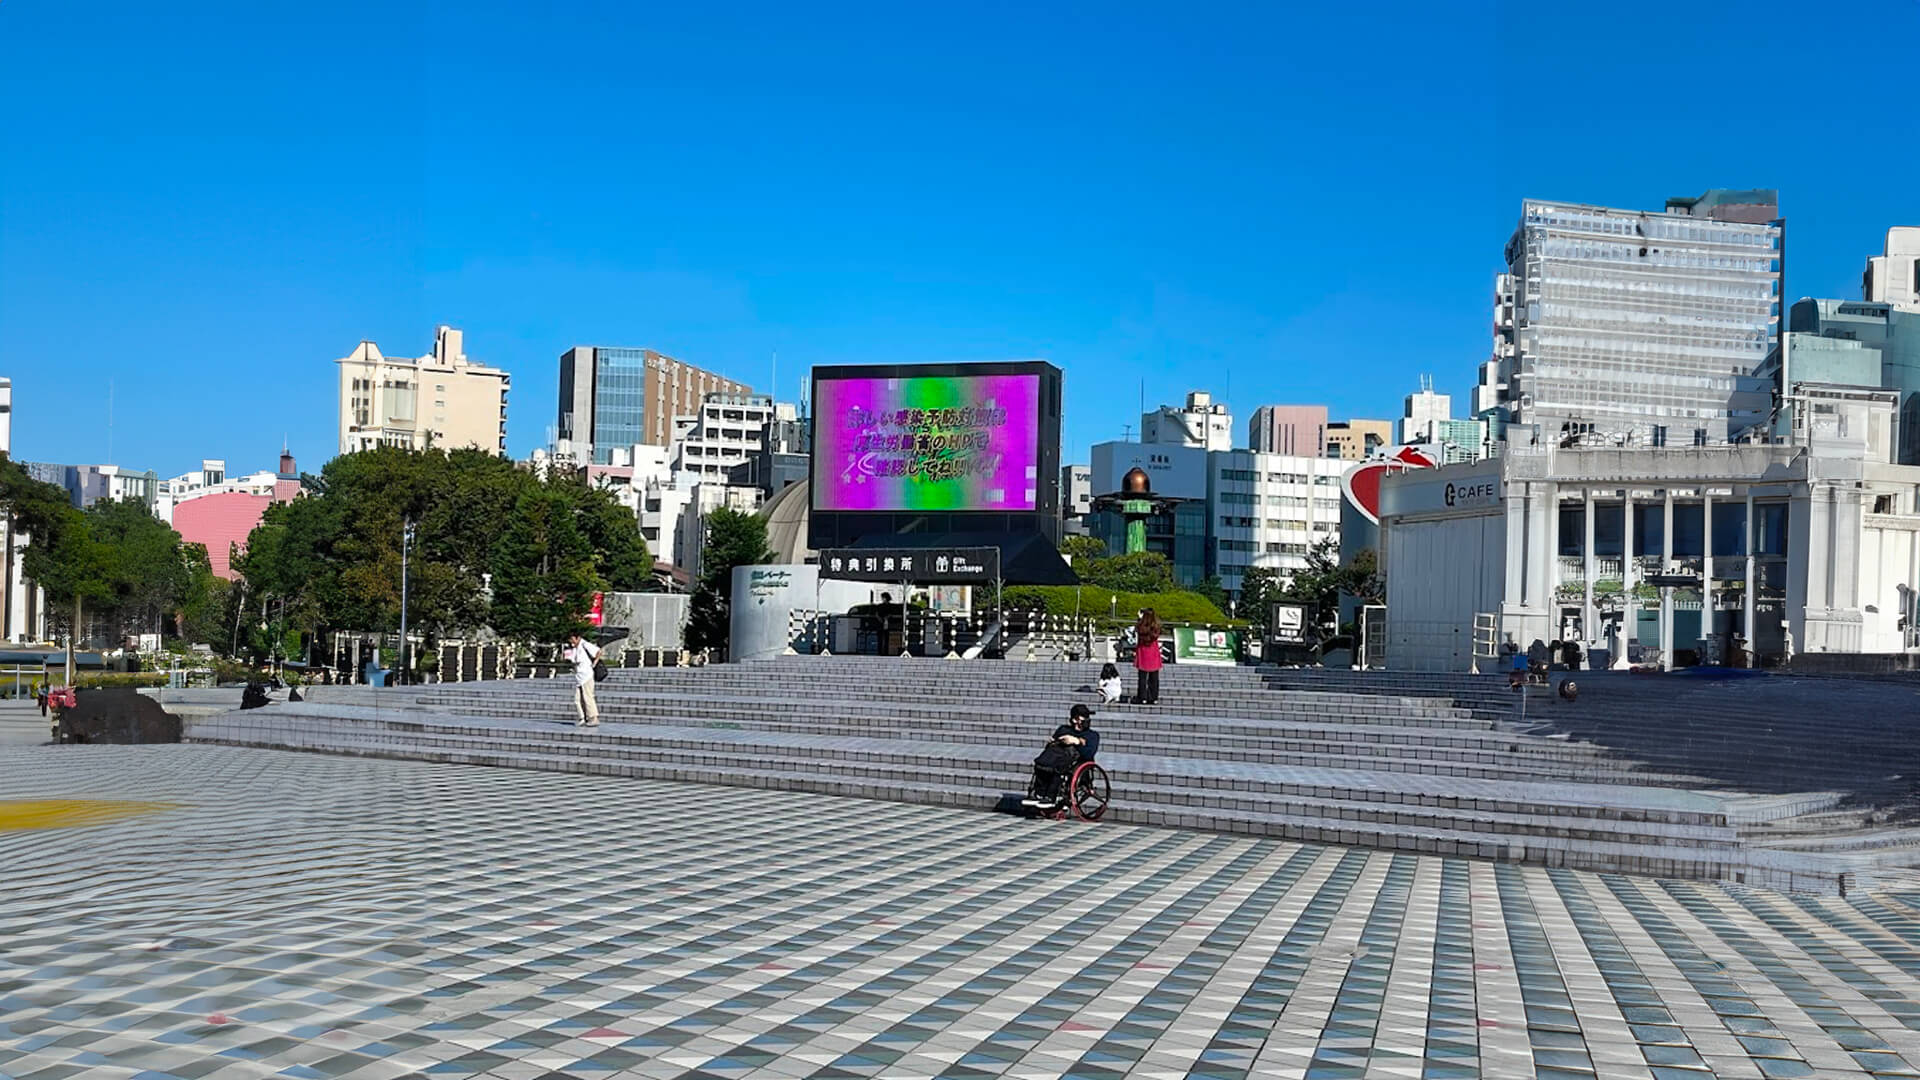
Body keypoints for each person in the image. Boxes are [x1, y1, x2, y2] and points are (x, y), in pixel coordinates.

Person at [1023, 703, 1100, 809]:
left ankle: (1051, 796)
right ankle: (1038, 793)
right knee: (1042, 763)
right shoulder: (1063, 729)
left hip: (1077, 762)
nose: (1087, 720)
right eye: (1084, 717)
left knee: (1059, 767)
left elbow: (1089, 753)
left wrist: (1077, 741)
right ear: (1074, 720)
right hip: (1058, 756)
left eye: (1087, 717)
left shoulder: (1092, 735)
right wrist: (1053, 742)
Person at [563, 630, 601, 727]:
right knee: (577, 699)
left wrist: (594, 663)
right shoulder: (575, 648)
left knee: (588, 697)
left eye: (572, 640)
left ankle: (593, 717)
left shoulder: (585, 644)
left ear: (578, 638)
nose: (572, 642)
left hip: (587, 676)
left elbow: (598, 651)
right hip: (579, 677)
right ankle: (582, 717)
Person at [1133, 608, 1163, 705]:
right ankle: (1153, 697)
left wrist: (1139, 618)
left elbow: (1137, 630)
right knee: (1154, 677)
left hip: (1143, 651)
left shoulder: (1141, 626)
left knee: (1142, 677)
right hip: (1153, 650)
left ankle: (1142, 697)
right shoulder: (1156, 626)